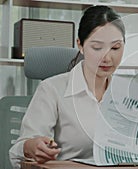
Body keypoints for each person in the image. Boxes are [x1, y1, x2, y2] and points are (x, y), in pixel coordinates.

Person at [9, 5, 125, 168]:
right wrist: (32, 146)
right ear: (80, 45)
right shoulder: (51, 89)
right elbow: (17, 152)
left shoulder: (128, 94)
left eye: (115, 48)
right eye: (97, 47)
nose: (107, 57)